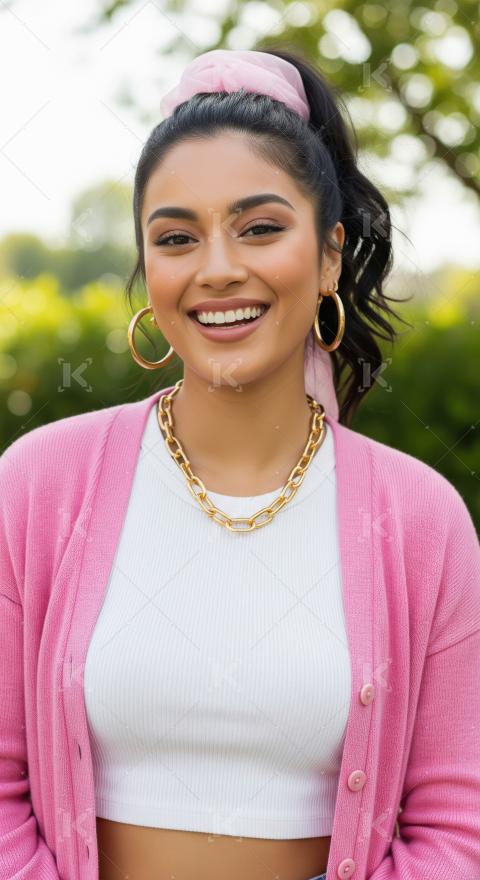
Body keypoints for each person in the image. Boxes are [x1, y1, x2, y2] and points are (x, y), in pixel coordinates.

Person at [0, 46, 479, 880]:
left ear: (329, 254)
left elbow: (458, 826)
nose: (218, 268)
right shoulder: (38, 485)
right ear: (149, 270)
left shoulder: (421, 520)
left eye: (260, 227)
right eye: (177, 237)